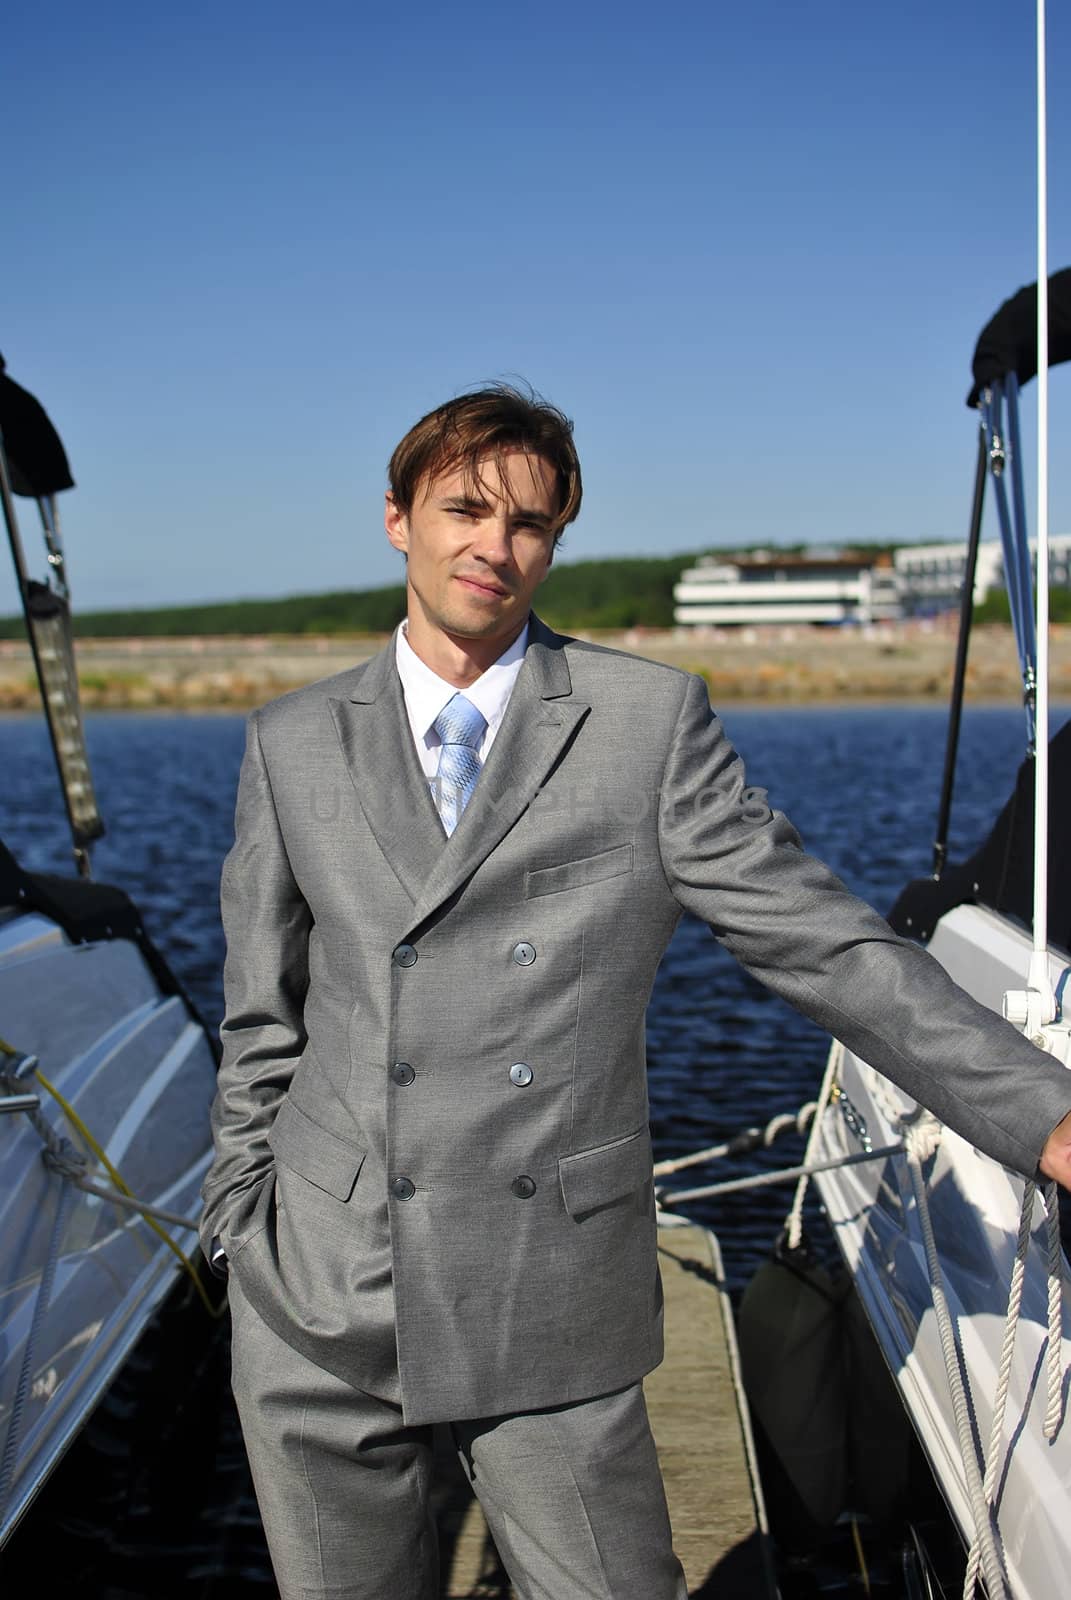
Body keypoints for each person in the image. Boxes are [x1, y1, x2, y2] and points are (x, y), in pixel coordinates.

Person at [201, 384, 1071, 1600]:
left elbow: (821, 941)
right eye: (464, 509)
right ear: (397, 518)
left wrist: (1043, 1113)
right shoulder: (289, 742)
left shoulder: (645, 724)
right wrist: (246, 1231)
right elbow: (262, 1019)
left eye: (532, 526)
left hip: (545, 1290)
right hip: (322, 1291)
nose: (495, 550)